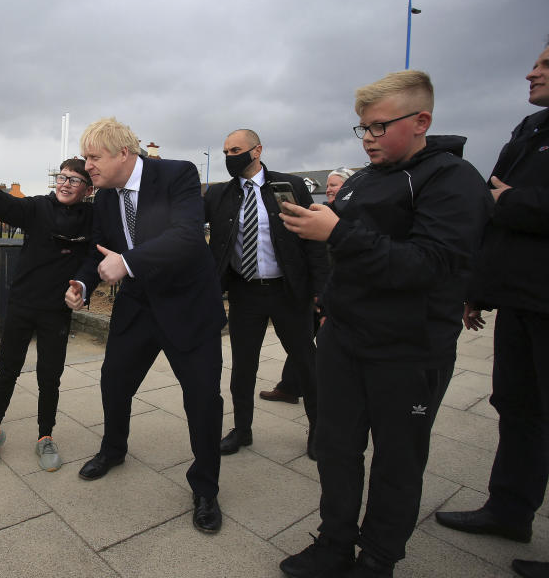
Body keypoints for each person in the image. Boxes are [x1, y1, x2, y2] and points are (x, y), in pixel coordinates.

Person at [277, 70, 491, 577]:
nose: (369, 138)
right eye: (363, 129)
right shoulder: (363, 181)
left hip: (409, 348)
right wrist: (328, 300)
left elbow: (431, 264)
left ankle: (378, 558)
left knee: (397, 460)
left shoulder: (452, 179)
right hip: (345, 339)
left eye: (378, 127)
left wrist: (338, 232)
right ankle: (334, 542)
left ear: (421, 122)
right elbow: (344, 257)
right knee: (335, 447)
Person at [64, 117, 226, 533]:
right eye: (85, 157)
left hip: (188, 305)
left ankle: (205, 488)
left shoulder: (178, 174)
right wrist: (83, 281)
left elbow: (187, 236)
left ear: (123, 153)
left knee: (202, 399)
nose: (87, 167)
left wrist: (128, 261)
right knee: (114, 382)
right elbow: (99, 253)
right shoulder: (103, 198)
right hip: (138, 307)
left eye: (93, 157)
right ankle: (113, 449)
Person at [434, 41, 549, 578]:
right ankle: (509, 510)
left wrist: (512, 201)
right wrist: (477, 289)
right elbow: (490, 202)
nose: (532, 72)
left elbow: (504, 199)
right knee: (516, 406)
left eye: (546, 65)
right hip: (521, 296)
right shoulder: (530, 130)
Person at [204, 129, 329, 459]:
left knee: (305, 361)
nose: (230, 156)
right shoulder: (219, 195)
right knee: (243, 366)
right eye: (226, 151)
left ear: (257, 150)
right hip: (245, 293)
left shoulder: (290, 187)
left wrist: (321, 291)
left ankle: (319, 429)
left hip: (288, 292)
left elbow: (313, 241)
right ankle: (242, 430)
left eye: (236, 150)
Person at [0, 156, 93, 471]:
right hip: (22, 303)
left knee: (50, 376)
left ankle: (45, 437)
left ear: (88, 190)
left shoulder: (93, 217)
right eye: (61, 177)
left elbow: (95, 257)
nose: (65, 184)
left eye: (74, 180)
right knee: (7, 369)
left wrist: (82, 289)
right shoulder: (37, 207)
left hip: (56, 311)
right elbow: (1, 204)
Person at [260, 166, 354, 405]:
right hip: (316, 287)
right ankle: (290, 386)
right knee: (301, 342)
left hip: (336, 288)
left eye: (335, 185)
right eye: (329, 184)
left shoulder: (351, 215)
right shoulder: (319, 211)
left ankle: (331, 395)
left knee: (324, 345)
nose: (330, 189)